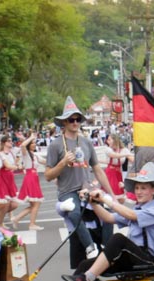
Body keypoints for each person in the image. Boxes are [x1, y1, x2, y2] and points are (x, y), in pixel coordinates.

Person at [59, 163, 154, 281]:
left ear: (153, 191)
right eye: (137, 188)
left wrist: (107, 200)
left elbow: (131, 215)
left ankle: (88, 278)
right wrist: (94, 202)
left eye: (143, 188)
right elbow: (109, 217)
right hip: (132, 256)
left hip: (148, 259)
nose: (138, 192)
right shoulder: (137, 208)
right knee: (84, 264)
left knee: (118, 239)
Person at [45, 96, 116, 260]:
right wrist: (63, 163)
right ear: (64, 122)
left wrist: (111, 194)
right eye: (71, 120)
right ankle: (89, 246)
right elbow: (48, 176)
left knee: (110, 209)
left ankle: (106, 248)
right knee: (73, 212)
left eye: (78, 119)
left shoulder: (86, 142)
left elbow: (97, 169)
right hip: (68, 191)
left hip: (87, 188)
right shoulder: (56, 145)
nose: (75, 123)